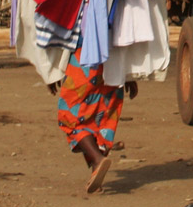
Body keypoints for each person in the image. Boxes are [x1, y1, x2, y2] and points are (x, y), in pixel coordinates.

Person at [48, 44, 138, 194]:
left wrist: (50, 72)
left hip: (85, 59)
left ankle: (97, 158)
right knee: (102, 119)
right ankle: (97, 172)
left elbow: (58, 28)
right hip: (113, 63)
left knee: (70, 117)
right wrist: (128, 75)